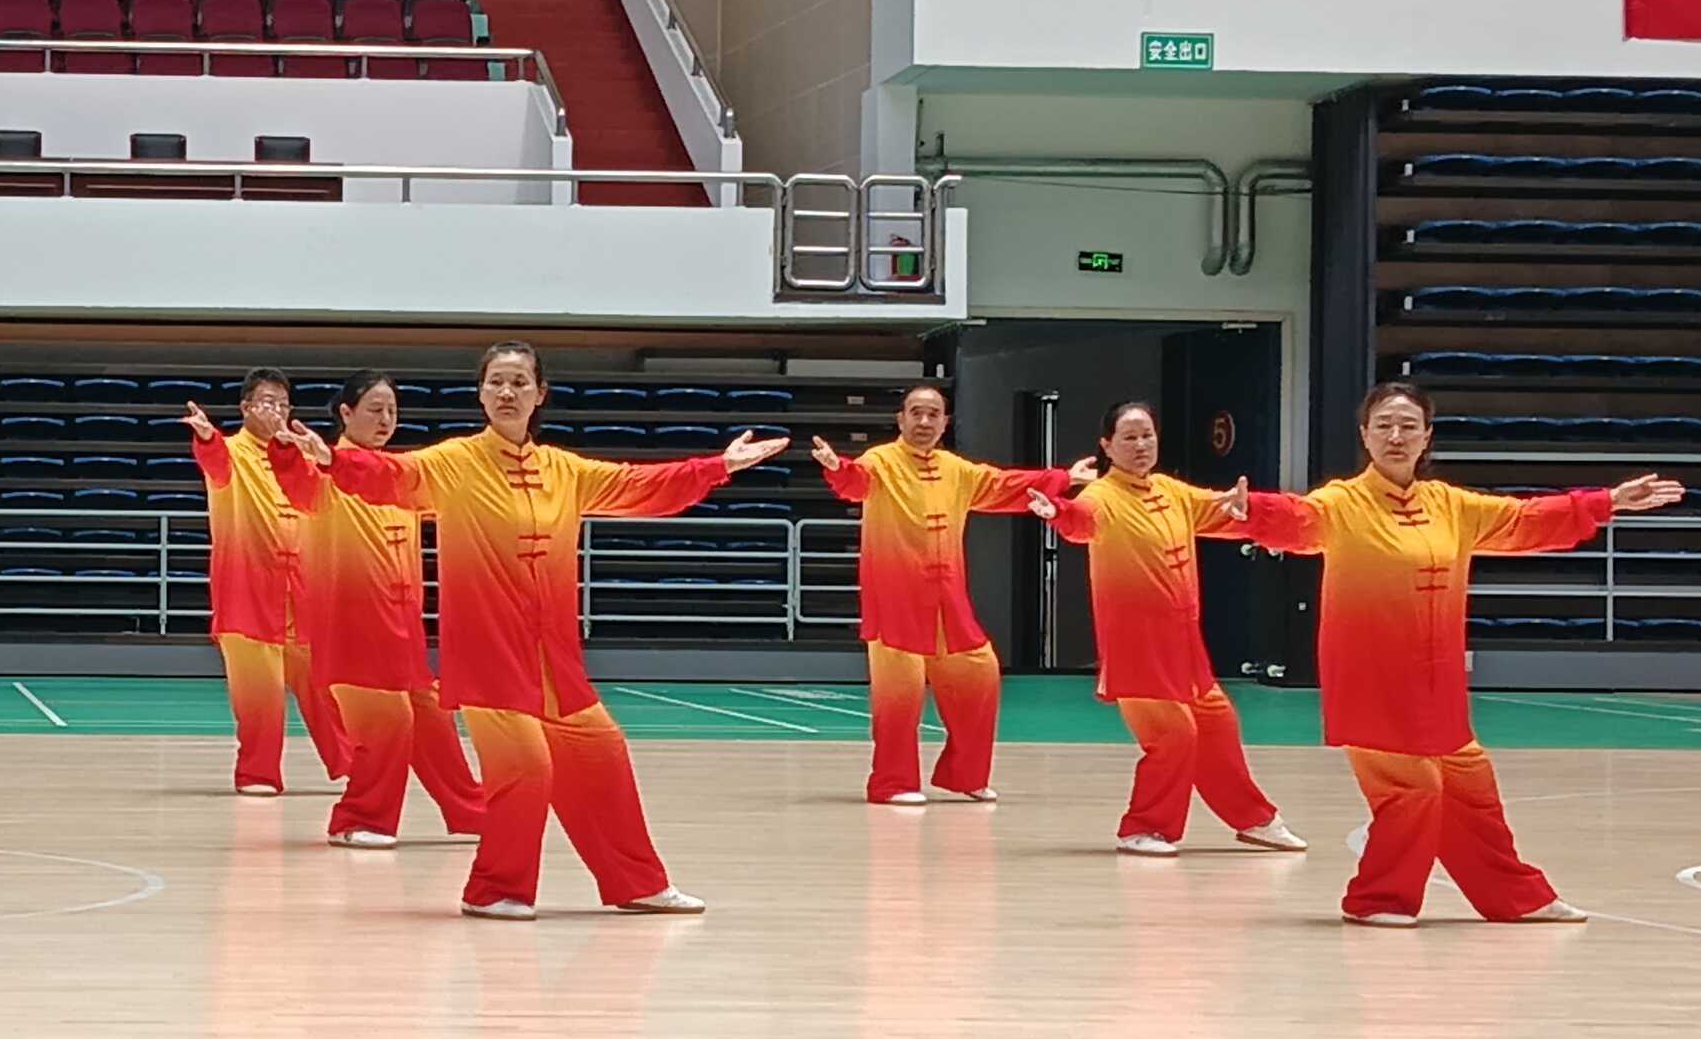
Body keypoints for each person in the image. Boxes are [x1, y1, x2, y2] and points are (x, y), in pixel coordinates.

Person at [323, 342, 788, 918]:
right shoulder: (452, 463)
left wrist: (718, 466)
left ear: (540, 394)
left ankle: (635, 882)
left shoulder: (565, 471)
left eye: (519, 382)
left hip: (554, 660)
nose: (507, 392)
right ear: (480, 394)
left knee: (603, 754)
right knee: (526, 768)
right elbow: (391, 474)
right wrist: (333, 462)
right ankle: (495, 890)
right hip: (489, 659)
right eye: (496, 382)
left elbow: (639, 484)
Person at [1236, 384, 1683, 926]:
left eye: (1408, 426)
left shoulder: (1451, 505)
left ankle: (1516, 897)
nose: (1396, 436)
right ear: (1365, 436)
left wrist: (1607, 501)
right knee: (1414, 789)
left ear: (1427, 436)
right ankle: (1379, 900)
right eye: (1384, 425)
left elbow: (1524, 520)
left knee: (1471, 788)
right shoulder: (1342, 503)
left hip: (1437, 687)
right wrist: (1250, 511)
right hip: (1372, 684)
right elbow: (1297, 519)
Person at [1029, 400, 1300, 860]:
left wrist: (1246, 506)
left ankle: (1253, 819)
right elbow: (1081, 521)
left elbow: (1219, 510)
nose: (1140, 445)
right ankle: (1145, 827)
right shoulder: (1102, 497)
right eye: (1129, 437)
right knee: (1174, 736)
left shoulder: (1171, 491)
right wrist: (1057, 511)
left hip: (1184, 645)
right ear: (1107, 446)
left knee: (1217, 725)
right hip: (1137, 647)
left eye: (1147, 435)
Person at [810, 387, 1073, 806]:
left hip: (948, 604)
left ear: (945, 422)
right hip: (896, 603)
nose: (924, 422)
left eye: (933, 414)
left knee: (981, 676)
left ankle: (965, 775)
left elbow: (1003, 484)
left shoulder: (956, 470)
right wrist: (836, 468)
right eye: (916, 413)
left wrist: (1064, 478)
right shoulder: (880, 461)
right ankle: (893, 783)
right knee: (899, 697)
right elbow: (855, 483)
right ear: (900, 419)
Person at [261, 370, 490, 851]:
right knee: (389, 724)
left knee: (432, 722)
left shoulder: (400, 476)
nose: (385, 420)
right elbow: (296, 482)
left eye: (392, 411)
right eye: (374, 410)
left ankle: (472, 814)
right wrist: (285, 451)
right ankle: (358, 818)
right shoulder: (324, 472)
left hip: (403, 632)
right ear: (346, 414)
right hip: (354, 630)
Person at [183, 375, 349, 797]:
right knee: (259, 697)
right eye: (267, 402)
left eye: (283, 404)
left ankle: (352, 767)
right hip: (248, 596)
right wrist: (206, 437)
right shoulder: (230, 452)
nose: (276, 411)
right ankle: (258, 774)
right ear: (246, 408)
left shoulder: (301, 455)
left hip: (304, 594)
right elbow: (213, 461)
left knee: (326, 688)